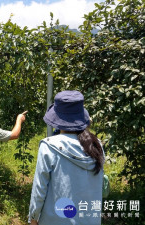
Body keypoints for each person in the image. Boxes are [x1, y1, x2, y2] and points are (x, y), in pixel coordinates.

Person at [28, 90, 104, 225]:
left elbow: (39, 189)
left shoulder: (49, 146)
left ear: (57, 118)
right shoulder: (96, 145)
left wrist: (33, 218)